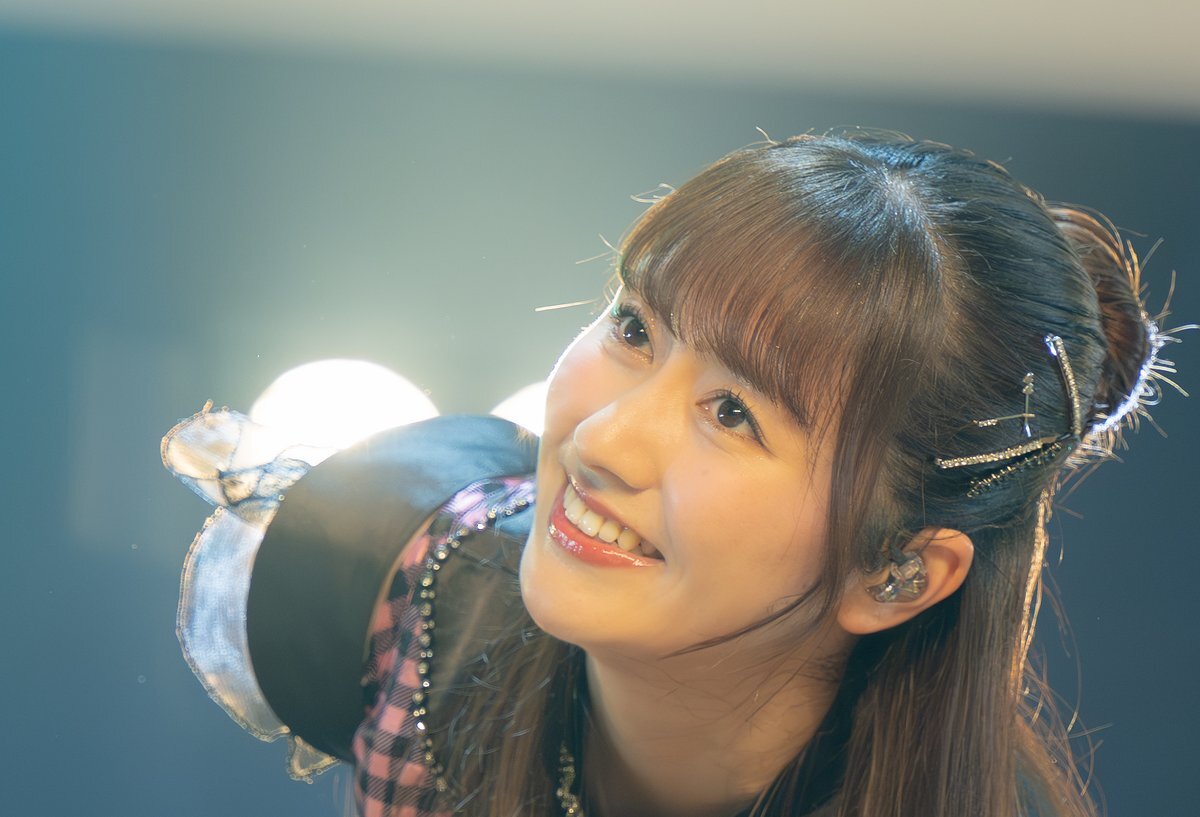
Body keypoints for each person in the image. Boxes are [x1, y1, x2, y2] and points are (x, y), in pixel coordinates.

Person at [162, 131, 1181, 817]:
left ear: (896, 573)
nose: (604, 439)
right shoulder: (407, 577)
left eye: (733, 413)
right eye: (634, 328)